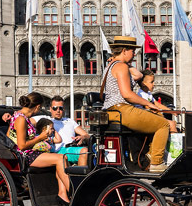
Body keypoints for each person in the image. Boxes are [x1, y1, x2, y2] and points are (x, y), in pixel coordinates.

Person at [102, 36, 171, 173]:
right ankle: (156, 162)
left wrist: (125, 63)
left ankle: (148, 157)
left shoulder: (112, 65)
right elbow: (127, 94)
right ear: (124, 50)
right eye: (132, 51)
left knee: (155, 122)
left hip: (113, 110)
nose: (134, 54)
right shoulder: (120, 67)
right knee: (163, 124)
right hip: (121, 108)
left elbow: (138, 76)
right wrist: (149, 104)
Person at [7, 92, 71, 206]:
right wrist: (40, 138)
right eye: (40, 108)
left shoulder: (20, 116)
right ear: (37, 107)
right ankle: (72, 190)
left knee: (62, 158)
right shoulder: (21, 119)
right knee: (60, 158)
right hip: (25, 156)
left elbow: (9, 136)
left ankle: (63, 193)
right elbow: (22, 145)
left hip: (31, 152)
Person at [48, 97, 90, 167]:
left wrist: (83, 137)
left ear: (63, 109)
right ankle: (80, 177)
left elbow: (87, 135)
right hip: (58, 150)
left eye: (60, 108)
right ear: (50, 109)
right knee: (84, 151)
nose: (58, 111)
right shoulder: (47, 120)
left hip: (71, 149)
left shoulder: (70, 121)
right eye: (55, 108)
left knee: (90, 151)